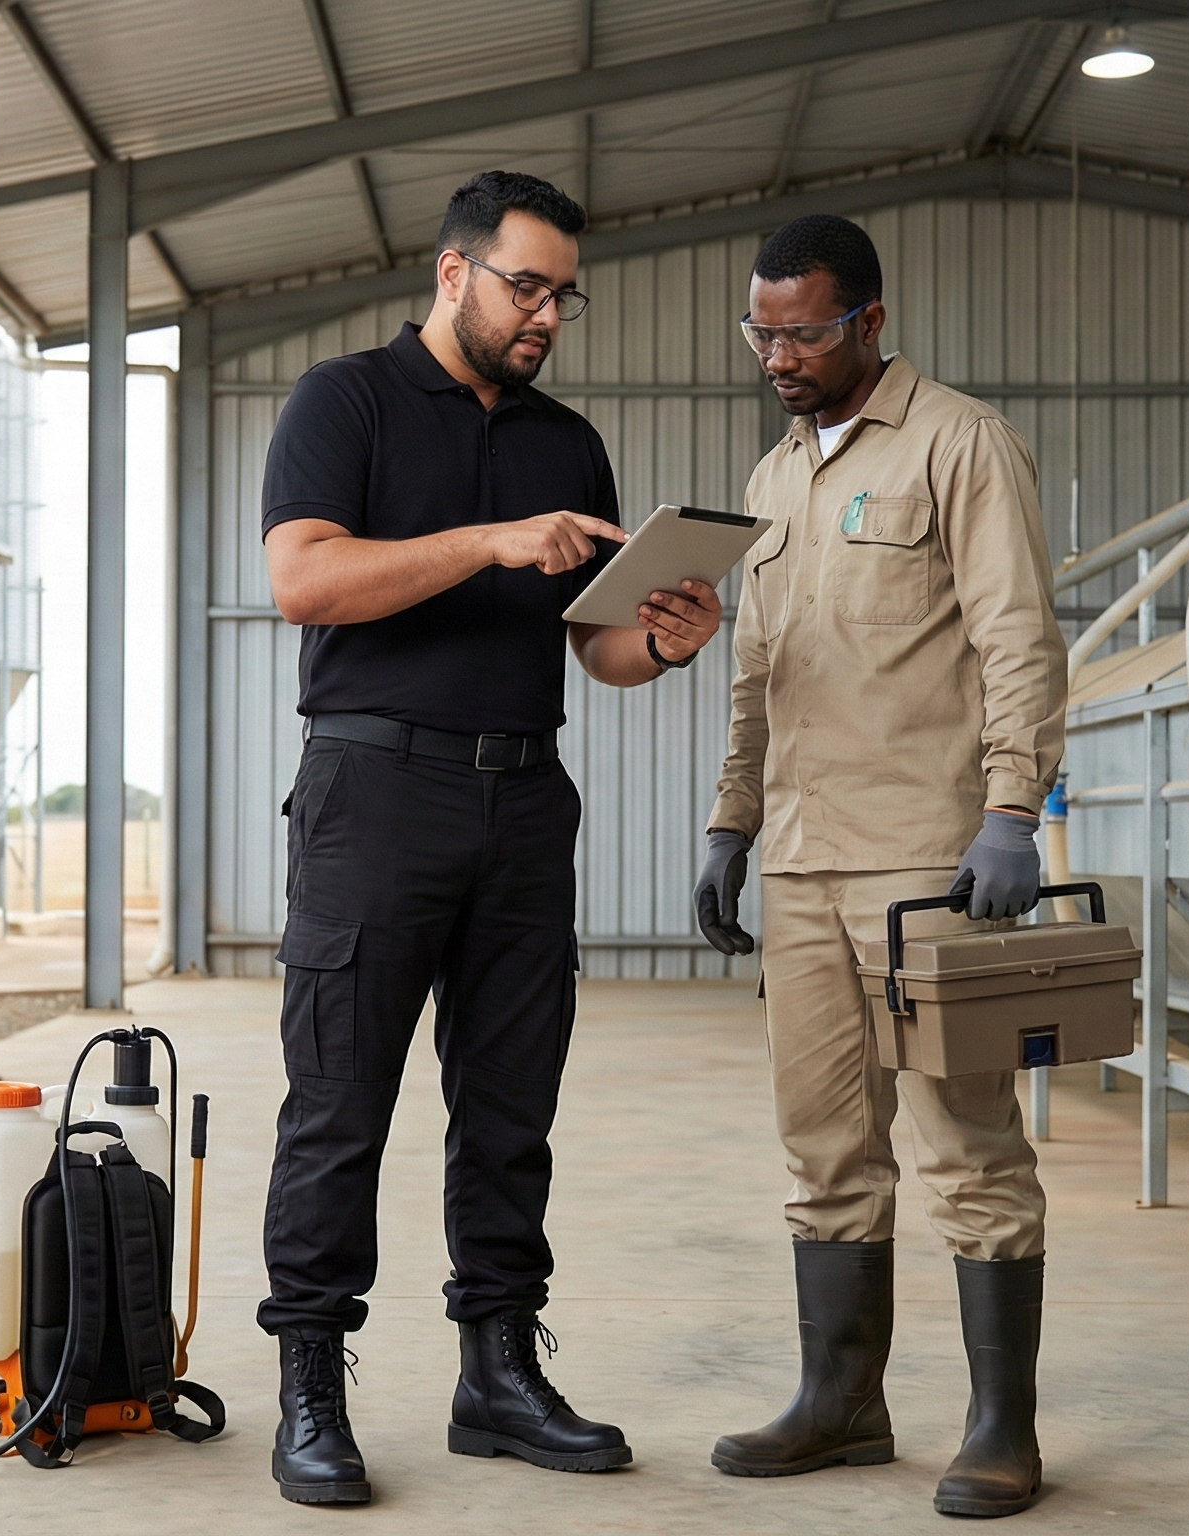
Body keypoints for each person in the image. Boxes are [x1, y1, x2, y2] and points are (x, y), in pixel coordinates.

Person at [255, 169, 723, 1507]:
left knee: (512, 1105)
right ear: (453, 272)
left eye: (563, 296)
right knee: (340, 1100)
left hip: (523, 797)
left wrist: (666, 642)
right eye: (527, 287)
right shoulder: (342, 401)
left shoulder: (567, 443)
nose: (547, 316)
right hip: (373, 789)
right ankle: (310, 1385)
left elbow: (597, 646)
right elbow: (303, 578)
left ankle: (499, 1374)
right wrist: (486, 542)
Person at [692, 214, 1066, 1519]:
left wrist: (1012, 808)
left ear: (869, 321)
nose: (777, 358)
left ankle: (1002, 1428)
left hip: (928, 865)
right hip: (802, 863)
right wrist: (732, 824)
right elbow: (757, 674)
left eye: (800, 333)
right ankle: (841, 1403)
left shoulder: (960, 444)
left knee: (968, 1147)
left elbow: (1019, 635)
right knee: (824, 1150)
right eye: (760, 334)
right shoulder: (772, 478)